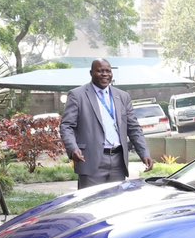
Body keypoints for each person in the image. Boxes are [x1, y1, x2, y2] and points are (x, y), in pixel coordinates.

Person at [60, 59, 153, 189]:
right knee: (90, 203)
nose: (105, 74)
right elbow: (66, 126)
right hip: (90, 160)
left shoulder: (123, 96)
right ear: (91, 73)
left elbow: (134, 128)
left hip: (118, 162)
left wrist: (144, 153)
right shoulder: (77, 95)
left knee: (114, 204)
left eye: (108, 71)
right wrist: (73, 148)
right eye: (100, 71)